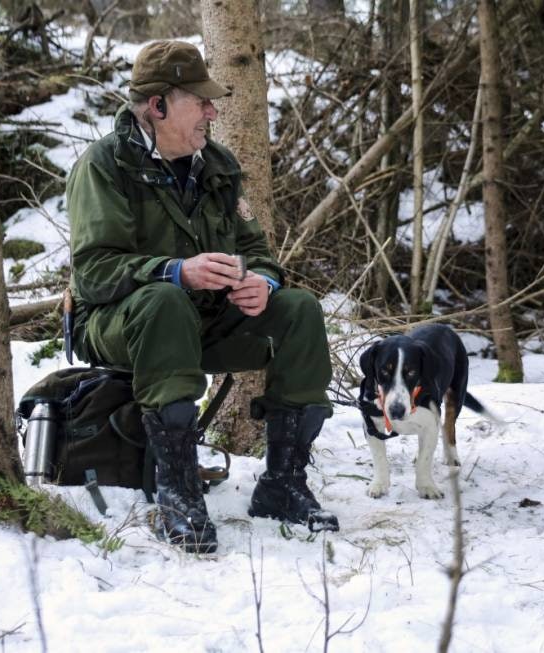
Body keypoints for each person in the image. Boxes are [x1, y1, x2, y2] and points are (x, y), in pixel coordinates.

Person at [66, 40, 338, 554]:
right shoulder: (105, 165)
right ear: (158, 105)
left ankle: (283, 484)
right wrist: (175, 272)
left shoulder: (216, 164)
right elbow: (93, 274)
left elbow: (258, 250)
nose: (212, 112)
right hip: (116, 324)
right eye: (201, 101)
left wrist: (263, 281)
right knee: (164, 300)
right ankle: (179, 492)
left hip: (202, 322)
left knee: (299, 309)